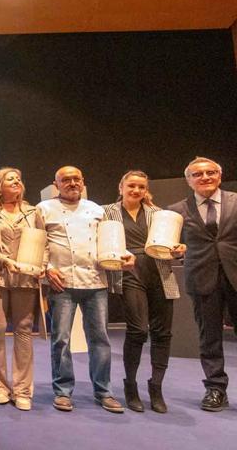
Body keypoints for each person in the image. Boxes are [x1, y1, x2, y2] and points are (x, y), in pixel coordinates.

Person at [37, 165, 131, 413]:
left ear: (82, 182)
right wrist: (46, 268)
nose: (71, 183)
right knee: (61, 340)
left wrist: (124, 256)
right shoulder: (44, 209)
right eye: (65, 180)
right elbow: (38, 245)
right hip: (62, 283)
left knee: (100, 339)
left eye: (76, 179)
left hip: (95, 282)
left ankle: (104, 391)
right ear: (56, 185)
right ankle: (63, 391)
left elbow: (110, 243)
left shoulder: (96, 210)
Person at [103, 170, 183, 413]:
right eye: (131, 186)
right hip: (129, 273)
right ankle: (130, 385)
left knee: (162, 333)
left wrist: (179, 250)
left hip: (160, 274)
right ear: (121, 187)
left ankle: (156, 386)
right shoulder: (106, 212)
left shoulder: (159, 214)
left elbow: (171, 246)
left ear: (145, 190)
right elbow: (103, 243)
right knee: (137, 330)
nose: (136, 190)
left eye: (141, 187)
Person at [169, 157, 237, 412]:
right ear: (189, 180)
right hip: (202, 278)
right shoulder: (176, 210)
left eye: (211, 173)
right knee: (209, 337)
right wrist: (173, 251)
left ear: (219, 176)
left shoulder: (236, 201)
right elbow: (168, 246)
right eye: (198, 174)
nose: (205, 177)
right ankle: (216, 389)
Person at [0, 167, 41, 411]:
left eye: (18, 179)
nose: (16, 182)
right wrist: (5, 261)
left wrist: (40, 266)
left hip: (25, 278)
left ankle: (23, 389)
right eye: (10, 179)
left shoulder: (32, 212)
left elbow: (43, 243)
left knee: (24, 331)